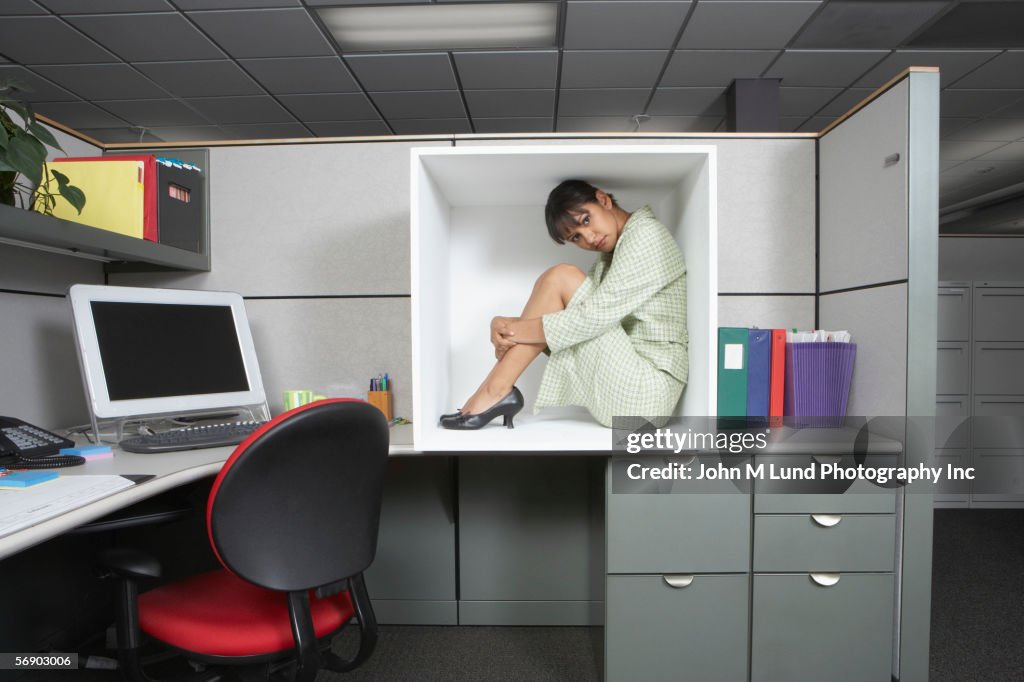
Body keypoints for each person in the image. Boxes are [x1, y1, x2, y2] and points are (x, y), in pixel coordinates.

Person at [439, 179, 688, 430]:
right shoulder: (612, 257)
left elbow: (591, 318)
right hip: (628, 395)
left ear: (603, 199)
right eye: (576, 237)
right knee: (557, 282)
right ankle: (493, 391)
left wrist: (511, 331)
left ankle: (495, 390)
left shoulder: (646, 235)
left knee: (561, 277)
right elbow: (570, 316)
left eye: (586, 220)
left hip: (647, 396)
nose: (589, 238)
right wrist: (503, 324)